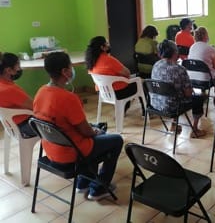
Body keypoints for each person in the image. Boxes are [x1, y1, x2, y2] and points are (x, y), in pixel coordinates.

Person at [33, 52, 123, 200]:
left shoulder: (40, 92)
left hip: (51, 150)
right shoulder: (68, 98)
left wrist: (92, 130)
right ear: (65, 71)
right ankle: (98, 189)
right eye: (70, 66)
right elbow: (86, 132)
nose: (72, 70)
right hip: (71, 154)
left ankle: (83, 182)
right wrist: (96, 131)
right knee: (115, 140)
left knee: (95, 132)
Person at [151, 40, 206, 138]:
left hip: (156, 103)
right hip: (173, 107)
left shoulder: (156, 65)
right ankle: (195, 130)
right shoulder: (179, 69)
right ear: (175, 52)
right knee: (199, 97)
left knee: (173, 94)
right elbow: (188, 94)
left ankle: (174, 125)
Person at [0, 52, 36, 138]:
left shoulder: (4, 85)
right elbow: (35, 107)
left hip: (10, 126)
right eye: (18, 65)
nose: (20, 68)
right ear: (8, 70)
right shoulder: (9, 90)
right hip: (24, 126)